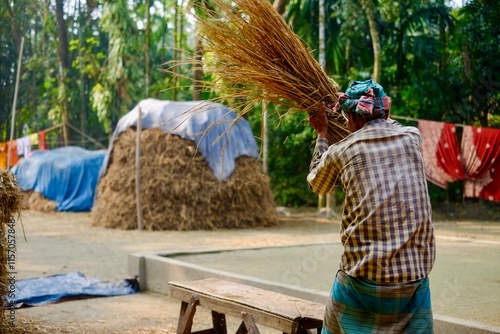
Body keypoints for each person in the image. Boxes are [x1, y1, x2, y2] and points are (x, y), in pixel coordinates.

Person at [307, 79, 436, 333]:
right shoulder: (413, 137)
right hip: (413, 285)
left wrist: (322, 133)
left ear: (352, 119)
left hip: (361, 286)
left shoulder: (340, 151)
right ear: (385, 111)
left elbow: (317, 184)